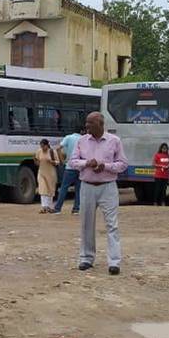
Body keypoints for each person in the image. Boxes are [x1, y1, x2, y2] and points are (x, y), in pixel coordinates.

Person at [69, 112, 128, 275]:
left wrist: (106, 166)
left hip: (108, 186)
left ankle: (114, 262)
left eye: (90, 123)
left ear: (100, 124)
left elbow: (123, 164)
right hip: (86, 186)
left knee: (112, 225)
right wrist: (87, 163)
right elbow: (72, 162)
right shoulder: (81, 141)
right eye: (86, 123)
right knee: (86, 224)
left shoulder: (114, 141)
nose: (86, 126)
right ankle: (86, 258)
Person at [54, 126, 84, 214]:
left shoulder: (68, 137)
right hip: (80, 167)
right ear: (82, 131)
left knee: (64, 188)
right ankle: (76, 209)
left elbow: (58, 148)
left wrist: (62, 160)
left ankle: (58, 209)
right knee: (78, 189)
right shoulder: (83, 139)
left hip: (69, 167)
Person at [35, 139, 59, 213]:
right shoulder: (39, 151)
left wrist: (52, 162)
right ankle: (44, 207)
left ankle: (49, 206)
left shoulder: (52, 152)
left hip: (51, 173)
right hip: (41, 172)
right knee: (42, 189)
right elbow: (37, 160)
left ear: (47, 145)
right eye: (41, 146)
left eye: (43, 146)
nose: (42, 148)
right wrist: (36, 162)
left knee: (50, 190)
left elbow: (57, 162)